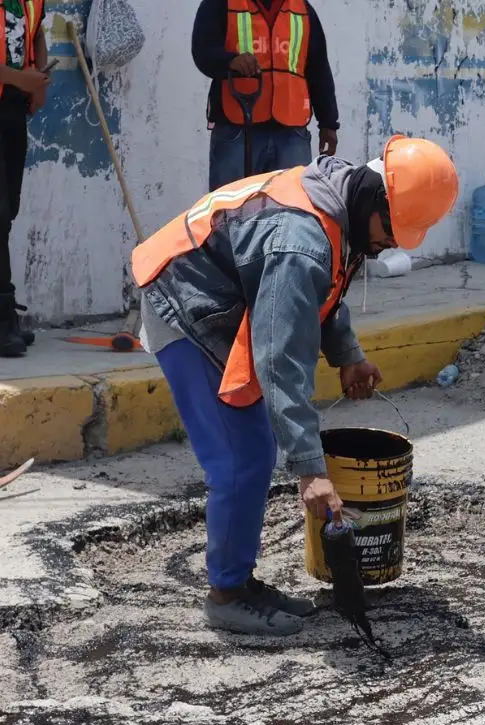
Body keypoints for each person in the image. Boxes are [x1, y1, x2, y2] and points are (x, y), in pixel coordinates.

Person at [131, 135, 459, 635]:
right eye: (393, 229)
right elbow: (280, 361)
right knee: (240, 459)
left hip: (223, 288)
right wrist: (311, 472)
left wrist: (347, 354)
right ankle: (227, 594)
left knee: (252, 450)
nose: (393, 242)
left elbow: (323, 287)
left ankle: (239, 581)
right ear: (376, 198)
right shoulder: (299, 241)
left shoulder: (338, 205)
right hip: (184, 303)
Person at [191, 0, 340, 192]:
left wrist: (328, 123)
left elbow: (317, 69)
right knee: (229, 211)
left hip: (291, 132)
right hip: (236, 128)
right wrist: (230, 61)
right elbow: (203, 50)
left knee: (294, 209)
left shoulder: (301, 9)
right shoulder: (222, 3)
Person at [0, 0, 48, 357]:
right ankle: (3, 317)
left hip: (13, 109)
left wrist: (38, 82)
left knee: (8, 212)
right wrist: (18, 77)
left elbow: (37, 33)